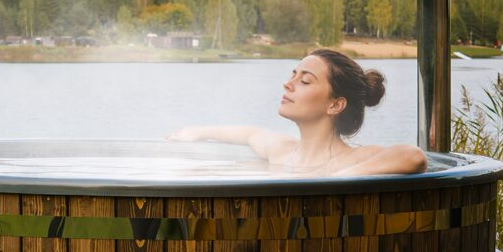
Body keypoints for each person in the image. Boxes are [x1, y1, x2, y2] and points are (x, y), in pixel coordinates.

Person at [167, 48, 427, 175]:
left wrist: (336, 177)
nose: (288, 83)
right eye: (293, 75)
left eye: (305, 81)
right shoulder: (282, 150)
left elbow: (413, 156)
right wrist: (195, 131)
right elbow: (249, 133)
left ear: (335, 104)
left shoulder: (353, 158)